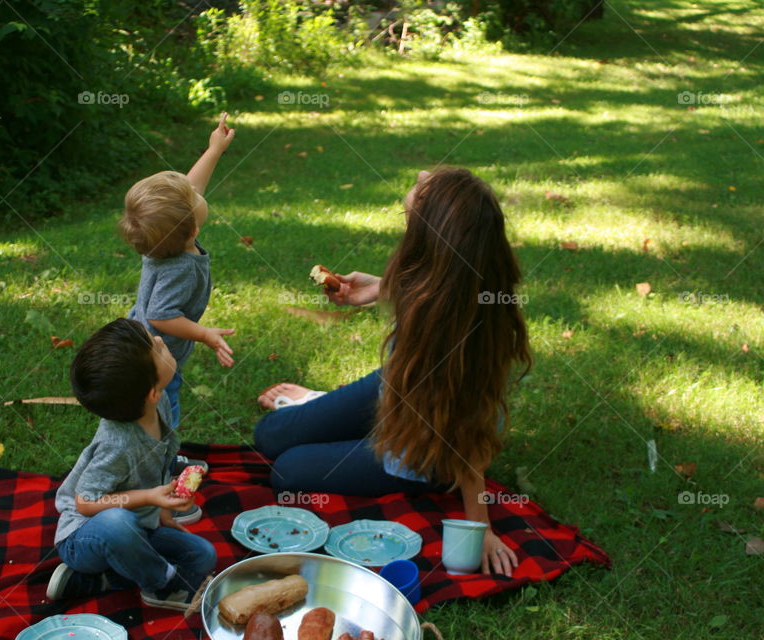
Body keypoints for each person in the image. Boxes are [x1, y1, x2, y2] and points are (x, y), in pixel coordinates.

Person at [254, 168, 531, 577]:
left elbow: (471, 432)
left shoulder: (462, 337)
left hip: (424, 445)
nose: (421, 174)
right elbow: (435, 285)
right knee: (268, 435)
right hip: (397, 391)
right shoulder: (445, 278)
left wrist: (479, 526)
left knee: (287, 471)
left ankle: (420, 471)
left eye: (426, 184)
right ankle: (324, 409)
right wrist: (379, 288)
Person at [46, 318, 217, 611]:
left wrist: (162, 512)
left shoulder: (156, 403)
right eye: (156, 347)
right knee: (117, 523)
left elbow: (158, 467)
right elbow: (86, 503)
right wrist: (150, 497)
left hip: (138, 525)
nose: (162, 341)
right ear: (151, 391)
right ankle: (162, 587)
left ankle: (100, 581)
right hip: (84, 536)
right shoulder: (118, 444)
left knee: (204, 555)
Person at [122, 112, 237, 429]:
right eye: (195, 198)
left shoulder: (167, 238)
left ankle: (154, 449)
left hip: (148, 347)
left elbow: (188, 189)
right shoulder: (180, 267)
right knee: (163, 408)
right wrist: (204, 335)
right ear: (192, 230)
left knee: (151, 405)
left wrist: (214, 150)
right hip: (157, 359)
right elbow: (160, 314)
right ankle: (163, 460)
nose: (196, 190)